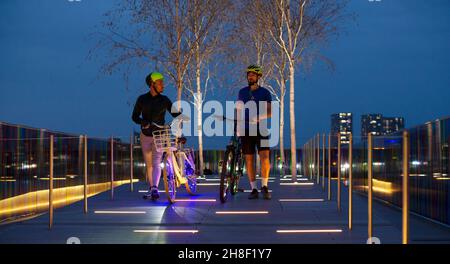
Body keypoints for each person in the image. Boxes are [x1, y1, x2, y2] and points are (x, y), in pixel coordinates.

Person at [132, 72, 182, 201]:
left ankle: (154, 188)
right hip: (145, 135)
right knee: (149, 164)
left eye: (162, 82)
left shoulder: (164, 100)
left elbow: (176, 114)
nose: (162, 85)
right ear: (152, 84)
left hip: (159, 135)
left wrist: (181, 117)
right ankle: (152, 188)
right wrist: (142, 122)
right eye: (159, 82)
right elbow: (134, 117)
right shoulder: (142, 99)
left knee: (156, 162)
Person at [237, 65, 272, 200]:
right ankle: (254, 189)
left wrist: (258, 117)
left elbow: (270, 112)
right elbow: (239, 110)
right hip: (246, 130)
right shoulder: (242, 92)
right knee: (249, 159)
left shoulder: (265, 92)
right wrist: (238, 127)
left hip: (261, 128)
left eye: (253, 75)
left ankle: (264, 186)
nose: (250, 77)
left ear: (258, 77)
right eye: (248, 74)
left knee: (265, 157)